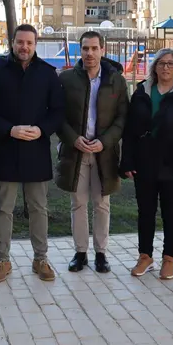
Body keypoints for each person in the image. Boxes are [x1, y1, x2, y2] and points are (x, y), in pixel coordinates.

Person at [0, 24, 64, 283]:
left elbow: (58, 111)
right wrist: (9, 129)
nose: (24, 47)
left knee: (39, 207)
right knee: (3, 208)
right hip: (6, 148)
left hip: (36, 150)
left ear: (35, 44)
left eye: (29, 42)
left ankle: (41, 259)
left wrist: (42, 130)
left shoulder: (48, 74)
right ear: (12, 43)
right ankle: (2, 260)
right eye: (20, 42)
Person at [121, 48, 173, 280]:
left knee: (170, 212)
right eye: (161, 63)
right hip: (144, 162)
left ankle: (169, 258)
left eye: (170, 64)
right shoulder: (141, 92)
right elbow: (129, 130)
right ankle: (145, 256)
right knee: (145, 211)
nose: (165, 68)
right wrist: (127, 160)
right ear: (154, 67)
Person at [56, 31, 128, 274]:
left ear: (102, 50)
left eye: (94, 48)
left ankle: (100, 253)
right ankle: (80, 253)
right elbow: (58, 117)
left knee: (102, 203)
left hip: (103, 152)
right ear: (80, 50)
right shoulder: (66, 79)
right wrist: (73, 139)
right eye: (85, 48)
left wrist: (105, 142)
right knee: (78, 203)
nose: (90, 53)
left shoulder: (116, 80)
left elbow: (122, 118)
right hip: (76, 151)